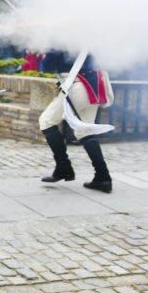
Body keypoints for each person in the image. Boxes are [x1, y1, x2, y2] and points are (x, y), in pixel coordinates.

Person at [39, 54, 115, 193]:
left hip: (78, 85)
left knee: (46, 121)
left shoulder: (59, 36)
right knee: (85, 132)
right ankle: (103, 177)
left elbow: (46, 66)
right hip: (95, 85)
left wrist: (44, 53)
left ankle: (63, 168)